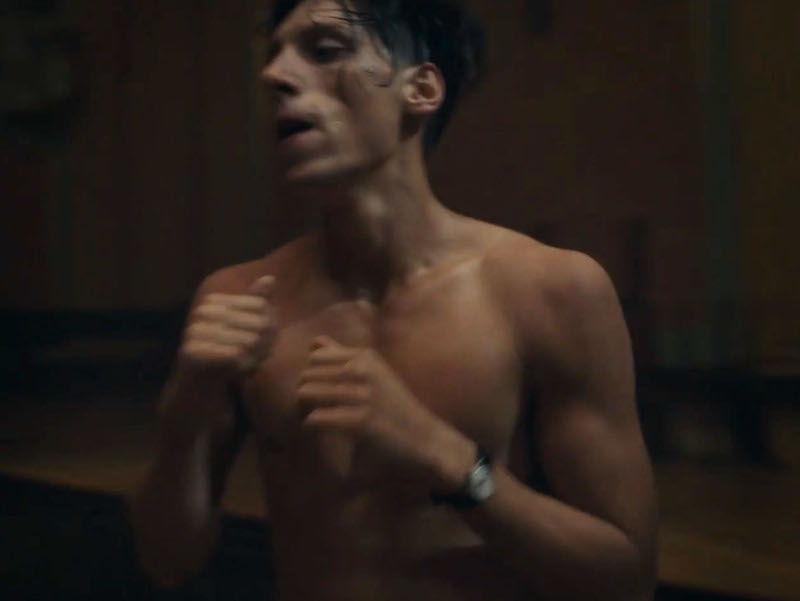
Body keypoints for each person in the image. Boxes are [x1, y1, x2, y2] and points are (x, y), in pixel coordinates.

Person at [130, 1, 658, 599]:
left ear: (421, 89)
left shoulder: (550, 291)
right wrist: (185, 413)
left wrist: (450, 460)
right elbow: (166, 564)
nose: (273, 74)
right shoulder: (241, 299)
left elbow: (627, 581)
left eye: (325, 50)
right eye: (274, 55)